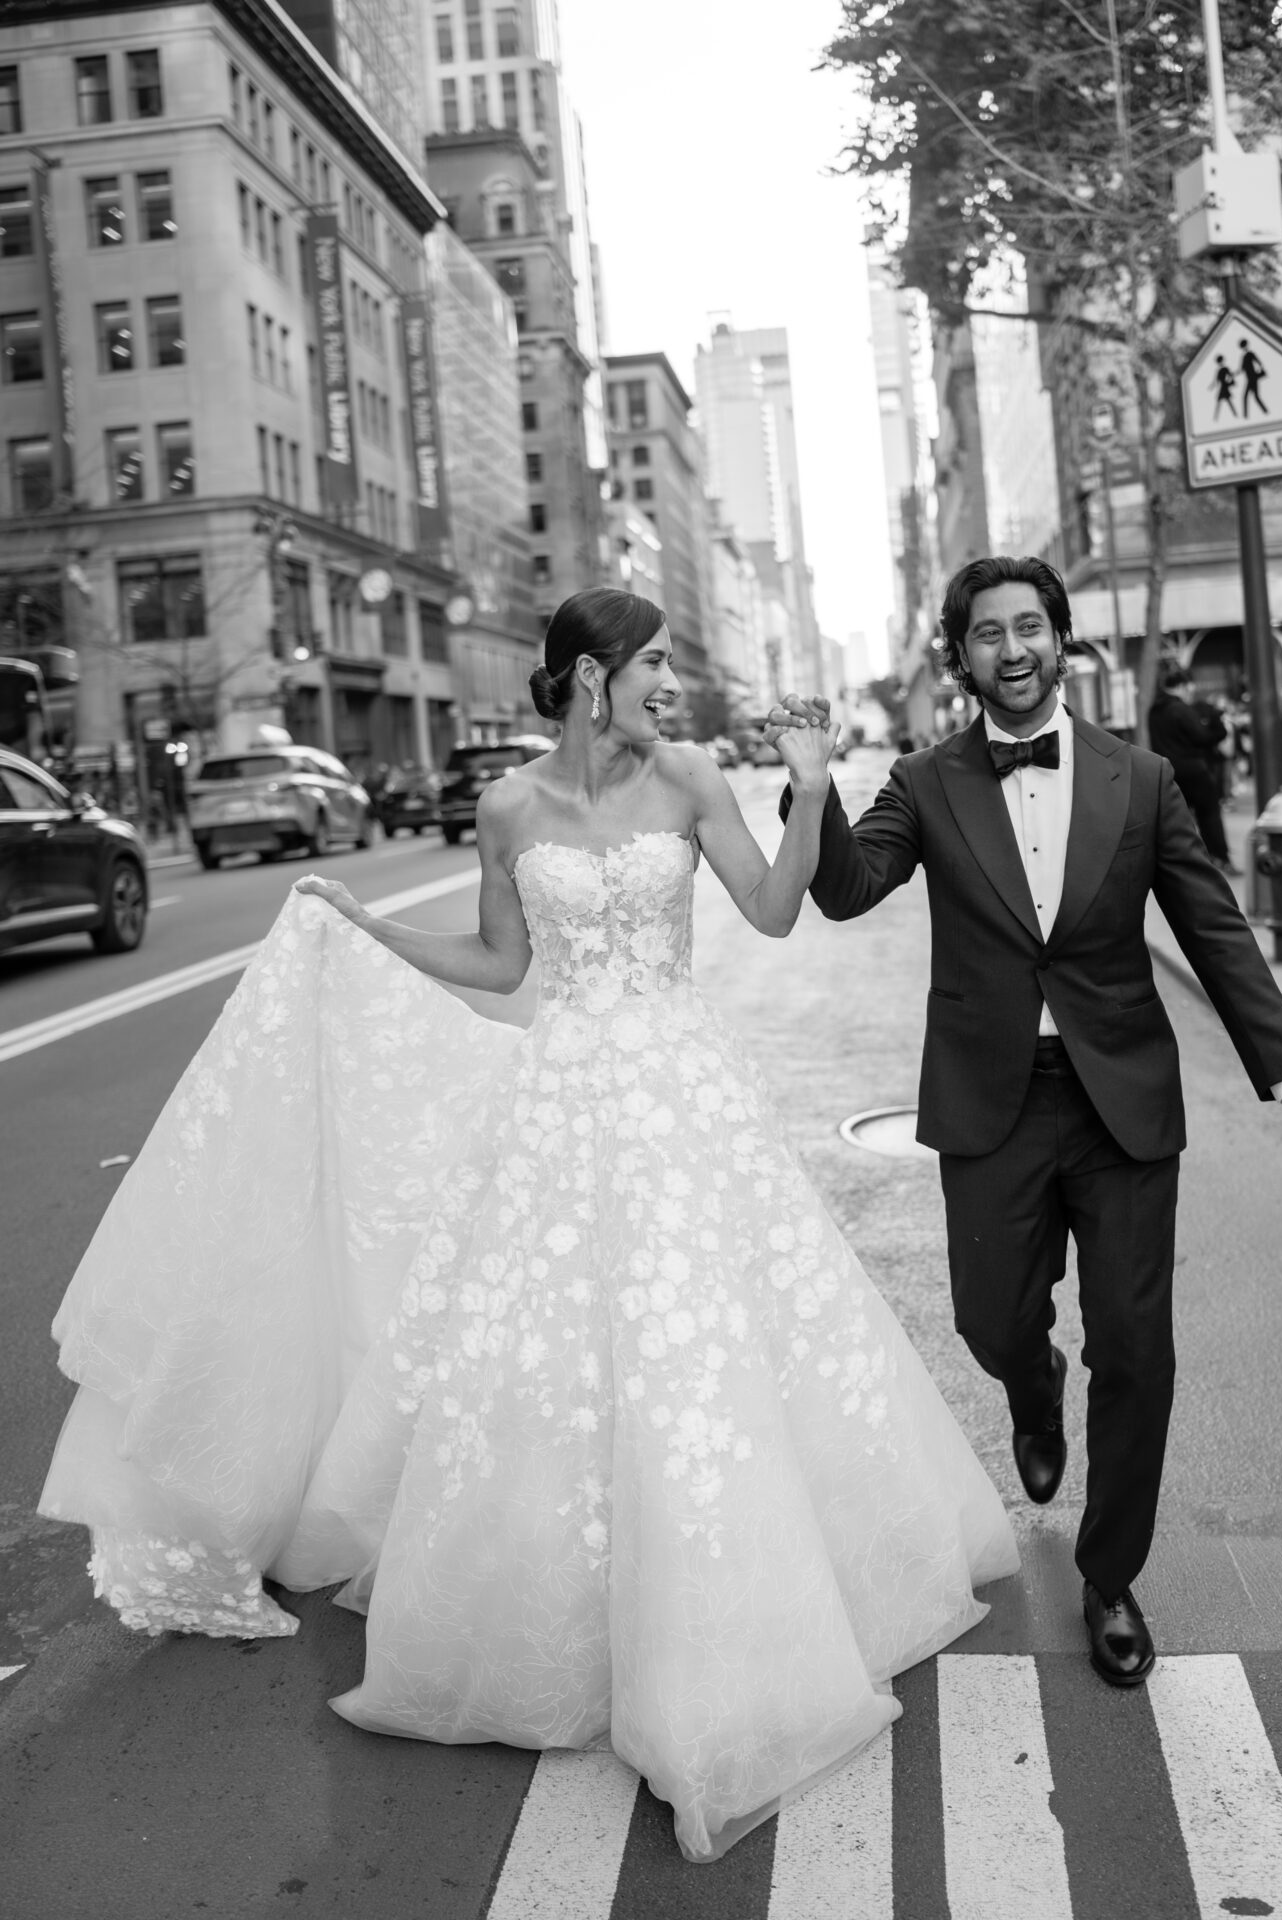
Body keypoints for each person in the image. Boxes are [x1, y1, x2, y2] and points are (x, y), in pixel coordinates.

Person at [37, 589, 1019, 1864]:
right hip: (562, 1105)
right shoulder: (507, 810)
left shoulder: (692, 777)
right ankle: (563, 1609)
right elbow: (504, 966)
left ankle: (726, 1604)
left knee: (698, 1342)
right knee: (551, 1356)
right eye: (652, 662)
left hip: (681, 1098)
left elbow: (776, 912)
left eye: (670, 661)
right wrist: (365, 929)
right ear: (586, 678)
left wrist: (815, 785)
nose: (671, 681)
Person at [772, 556, 1282, 1691]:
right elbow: (845, 888)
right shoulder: (927, 781)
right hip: (993, 1100)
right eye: (989, 634)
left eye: (1032, 627)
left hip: (1121, 1099)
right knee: (988, 1319)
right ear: (963, 655)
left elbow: (1214, 930)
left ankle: (1110, 1575)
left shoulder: (1141, 776)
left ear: (1063, 641)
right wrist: (810, 784)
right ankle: (1033, 1388)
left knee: (1138, 1351)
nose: (1013, 649)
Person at [1148, 664, 1236, 874]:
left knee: (1180, 821)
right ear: (1181, 686)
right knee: (1209, 815)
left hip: (1169, 771)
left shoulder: (1154, 710)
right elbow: (1202, 737)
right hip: (1194, 770)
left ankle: (1187, 863)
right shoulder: (1179, 709)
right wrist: (1218, 726)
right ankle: (1219, 857)